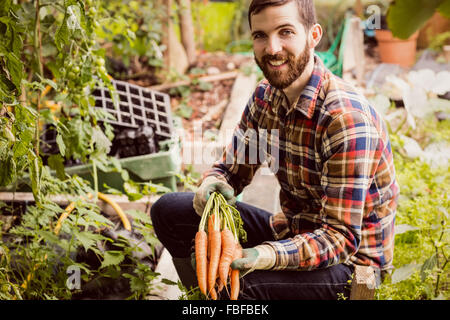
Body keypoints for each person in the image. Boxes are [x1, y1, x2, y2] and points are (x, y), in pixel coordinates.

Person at [150, 0, 399, 300]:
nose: (272, 48)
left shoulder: (344, 120)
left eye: (285, 32)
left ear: (313, 35)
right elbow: (231, 170)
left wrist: (263, 256)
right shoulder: (264, 98)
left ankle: (221, 297)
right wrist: (213, 183)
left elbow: (340, 239)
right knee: (169, 211)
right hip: (292, 232)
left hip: (348, 263)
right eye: (260, 36)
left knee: (237, 287)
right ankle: (203, 296)